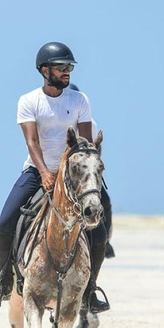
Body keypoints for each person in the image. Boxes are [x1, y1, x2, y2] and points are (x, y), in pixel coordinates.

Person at [0, 42, 111, 314]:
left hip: (72, 175)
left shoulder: (80, 100)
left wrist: (78, 174)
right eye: (61, 67)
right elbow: (32, 142)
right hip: (36, 170)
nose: (67, 72)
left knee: (98, 232)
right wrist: (43, 173)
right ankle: (3, 281)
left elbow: (84, 143)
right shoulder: (29, 101)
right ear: (44, 70)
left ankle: (90, 290)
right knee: (6, 222)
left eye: (69, 68)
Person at [68, 83, 115, 259]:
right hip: (53, 170)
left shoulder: (90, 124)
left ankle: (106, 242)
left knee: (106, 201)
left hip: (81, 174)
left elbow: (94, 151)